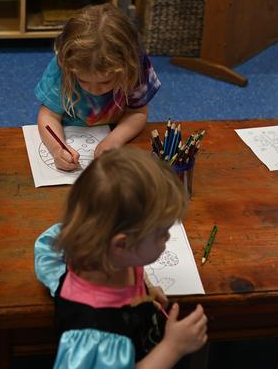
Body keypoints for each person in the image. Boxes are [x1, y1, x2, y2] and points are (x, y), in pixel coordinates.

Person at [34, 147, 207, 369]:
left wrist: (145, 292)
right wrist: (172, 348)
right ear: (122, 244)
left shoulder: (101, 252)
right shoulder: (95, 334)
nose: (167, 238)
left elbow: (47, 246)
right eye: (162, 233)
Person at [35, 3, 161, 170]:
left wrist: (114, 140)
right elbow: (48, 116)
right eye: (83, 80)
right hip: (68, 132)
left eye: (105, 82)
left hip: (116, 130)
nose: (93, 90)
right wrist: (57, 149)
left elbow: (137, 112)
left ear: (126, 68)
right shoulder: (65, 65)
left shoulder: (135, 67)